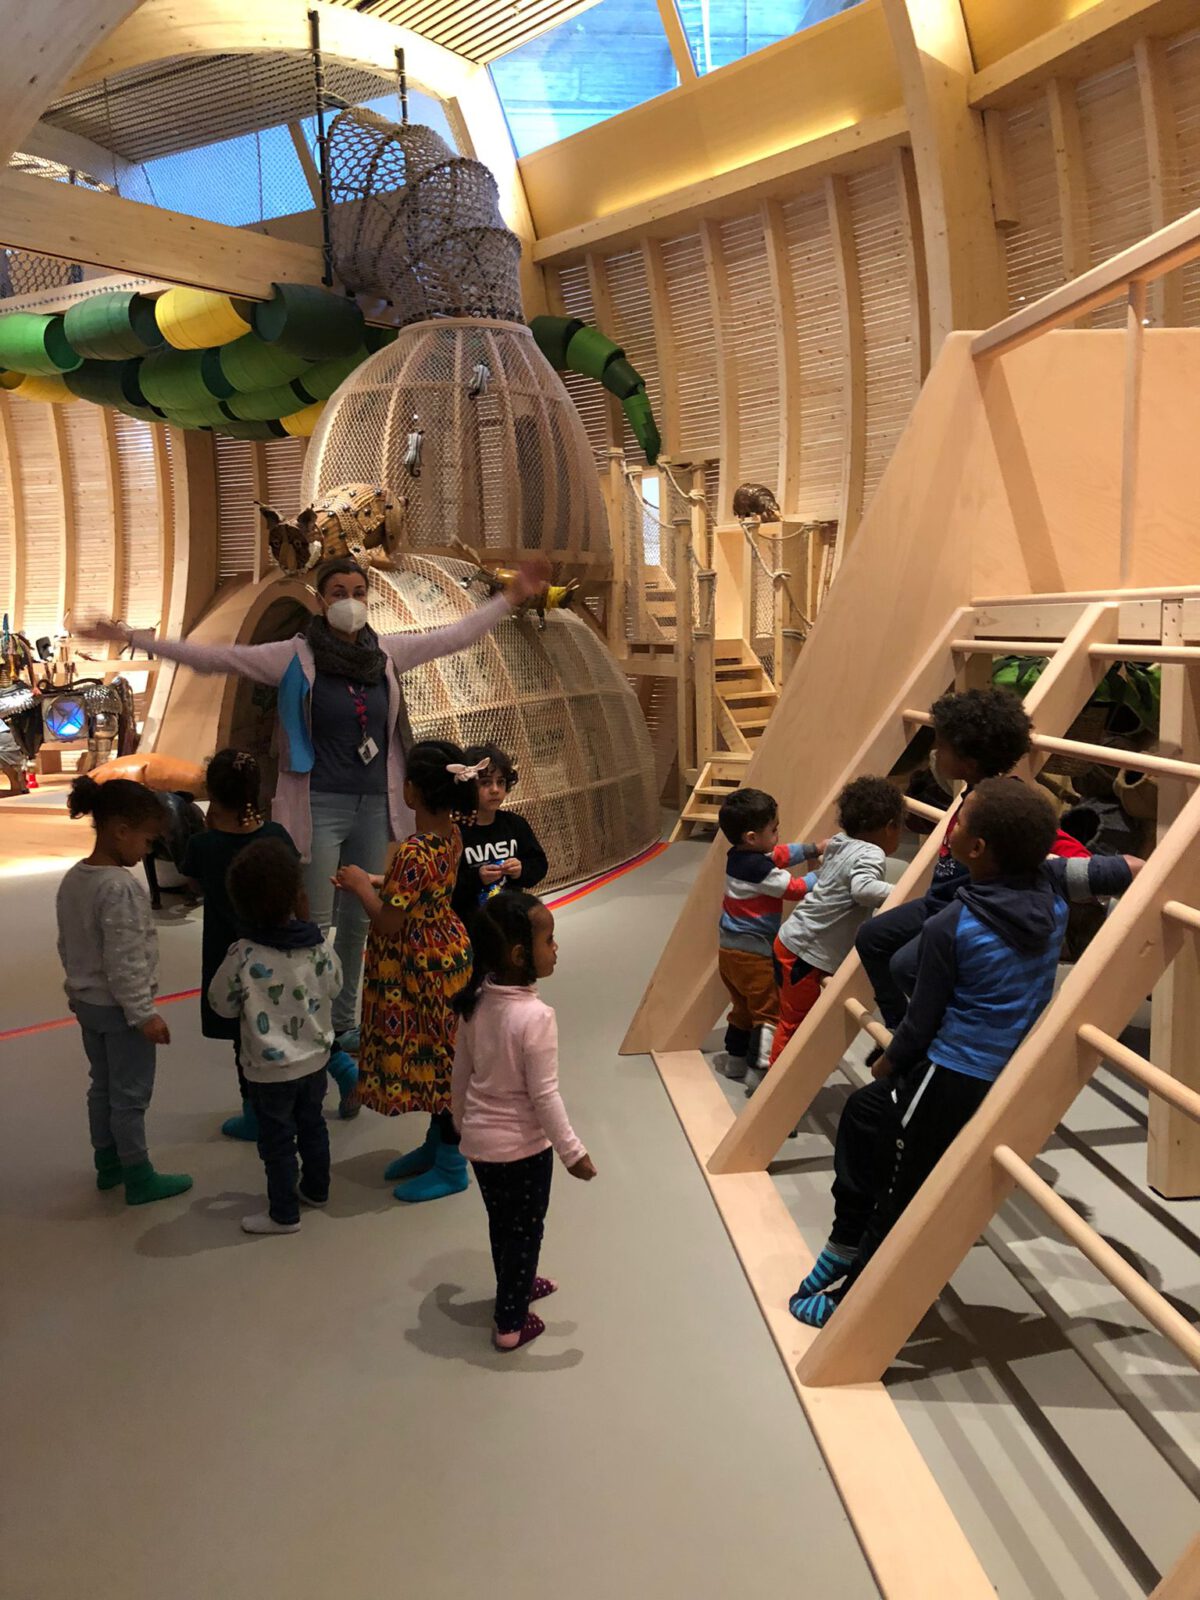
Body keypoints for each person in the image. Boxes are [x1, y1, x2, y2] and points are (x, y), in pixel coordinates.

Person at [77, 554, 548, 1056]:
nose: (350, 601)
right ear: (322, 600)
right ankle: (311, 1023)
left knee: (360, 920)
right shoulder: (295, 656)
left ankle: (342, 1024)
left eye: (359, 592)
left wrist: (510, 597)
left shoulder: (386, 654)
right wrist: (132, 637)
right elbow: (213, 658)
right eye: (339, 592)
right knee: (314, 921)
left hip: (374, 803)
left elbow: (453, 637)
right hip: (319, 803)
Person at [790, 779, 1141, 1328]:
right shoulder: (1050, 880)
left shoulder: (952, 924)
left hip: (951, 1070)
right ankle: (844, 1241)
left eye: (961, 820)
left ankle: (850, 1302)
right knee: (862, 1115)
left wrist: (888, 1062)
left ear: (975, 848)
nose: (949, 827)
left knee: (902, 1186)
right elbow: (1132, 867)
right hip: (1000, 1064)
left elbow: (921, 1023)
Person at [855, 687, 1087, 1037]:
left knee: (906, 966)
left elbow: (1056, 840)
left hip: (967, 910)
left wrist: (1083, 866)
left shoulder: (1003, 800)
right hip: (939, 901)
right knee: (871, 936)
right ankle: (899, 1024)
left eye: (943, 746)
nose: (935, 754)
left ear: (969, 761)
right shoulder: (973, 791)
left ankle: (942, 1031)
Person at [332, 740, 483, 1204]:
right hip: (445, 954)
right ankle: (437, 1147)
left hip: (419, 967)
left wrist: (362, 886)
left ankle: (452, 1166)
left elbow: (390, 921)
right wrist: (379, 880)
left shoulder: (414, 851)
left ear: (412, 791)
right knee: (441, 1059)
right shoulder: (450, 836)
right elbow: (422, 891)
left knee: (440, 1064)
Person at [452, 892, 596, 1352]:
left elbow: (460, 1071)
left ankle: (518, 1282)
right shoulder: (535, 1017)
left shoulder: (476, 1002)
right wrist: (572, 1152)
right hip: (523, 1151)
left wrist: (461, 1121)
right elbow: (545, 1095)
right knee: (527, 1231)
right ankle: (510, 1322)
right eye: (548, 940)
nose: (555, 947)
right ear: (519, 955)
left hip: (482, 1147)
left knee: (503, 1225)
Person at [179, 749, 341, 1142]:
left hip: (232, 945)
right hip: (288, 941)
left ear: (213, 796)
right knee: (304, 1013)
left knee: (246, 1031)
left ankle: (255, 1112)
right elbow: (299, 890)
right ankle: (342, 1070)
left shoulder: (203, 846)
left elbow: (192, 881)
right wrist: (307, 930)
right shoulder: (276, 836)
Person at [55, 774, 193, 1206]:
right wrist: (143, 1014)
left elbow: (68, 943)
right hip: (121, 1011)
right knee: (130, 1094)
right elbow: (125, 960)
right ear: (121, 830)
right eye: (147, 840)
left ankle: (108, 1163)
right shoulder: (120, 888)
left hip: (89, 1005)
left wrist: (76, 988)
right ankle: (139, 1175)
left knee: (102, 1086)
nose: (147, 851)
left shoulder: (75, 879)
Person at [208, 838, 343, 1236]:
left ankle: (284, 1214)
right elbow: (336, 985)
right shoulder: (317, 946)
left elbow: (220, 1004)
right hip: (315, 1061)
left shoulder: (243, 955)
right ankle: (317, 1189)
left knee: (278, 1141)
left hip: (268, 1071)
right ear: (298, 894)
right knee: (313, 1126)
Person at [770, 777, 904, 1068]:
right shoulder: (871, 852)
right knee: (795, 1024)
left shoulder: (841, 842)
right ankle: (777, 1079)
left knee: (794, 1018)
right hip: (804, 952)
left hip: (794, 940)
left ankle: (785, 1072)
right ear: (890, 826)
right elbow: (863, 889)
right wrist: (907, 893)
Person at [716, 786, 821, 1086]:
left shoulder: (739, 857)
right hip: (754, 954)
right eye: (773, 830)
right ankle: (759, 1070)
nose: (778, 834)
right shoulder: (759, 870)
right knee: (768, 1011)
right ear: (752, 837)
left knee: (742, 1008)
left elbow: (781, 854)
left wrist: (812, 848)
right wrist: (822, 875)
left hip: (728, 952)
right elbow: (794, 889)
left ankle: (735, 1060)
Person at [451, 742, 548, 925]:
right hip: (473, 925)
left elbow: (539, 865)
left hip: (514, 920)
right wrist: (477, 877)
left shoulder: (515, 824)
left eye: (501, 782)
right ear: (469, 786)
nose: (495, 789)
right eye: (485, 782)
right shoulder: (456, 832)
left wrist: (521, 870)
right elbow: (447, 886)